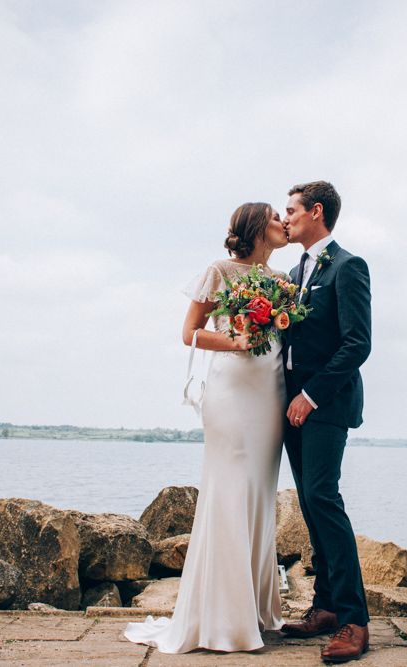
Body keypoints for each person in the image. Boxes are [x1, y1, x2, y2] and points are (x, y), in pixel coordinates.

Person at [124, 202, 289, 653]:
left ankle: (254, 610)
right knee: (230, 490)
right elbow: (190, 332)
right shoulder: (219, 270)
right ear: (257, 227)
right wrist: (234, 340)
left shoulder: (284, 283)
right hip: (232, 393)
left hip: (270, 393)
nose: (283, 224)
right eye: (276, 217)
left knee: (258, 493)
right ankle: (222, 617)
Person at [280, 181, 372, 663]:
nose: (285, 217)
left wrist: (311, 396)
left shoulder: (348, 266)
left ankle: (355, 620)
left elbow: (357, 343)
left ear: (316, 212)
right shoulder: (294, 271)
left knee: (322, 498)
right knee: (311, 506)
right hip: (291, 408)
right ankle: (326, 607)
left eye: (291, 210)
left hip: (326, 404)